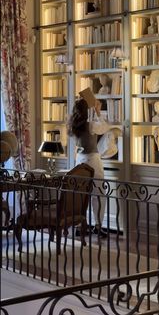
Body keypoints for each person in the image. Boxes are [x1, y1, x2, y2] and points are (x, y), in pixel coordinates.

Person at [68, 98, 109, 238]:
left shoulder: (72, 125)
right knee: (99, 194)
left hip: (79, 160)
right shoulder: (90, 125)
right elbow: (104, 127)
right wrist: (98, 111)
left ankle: (80, 226)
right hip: (93, 160)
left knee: (81, 194)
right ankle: (98, 226)